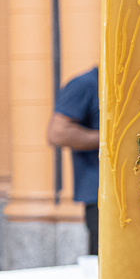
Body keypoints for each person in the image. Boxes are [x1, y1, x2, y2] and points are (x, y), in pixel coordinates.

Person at [48, 67, 100, 254]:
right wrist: (112, 139)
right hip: (100, 194)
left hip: (136, 192)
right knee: (103, 267)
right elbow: (57, 133)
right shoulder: (86, 84)